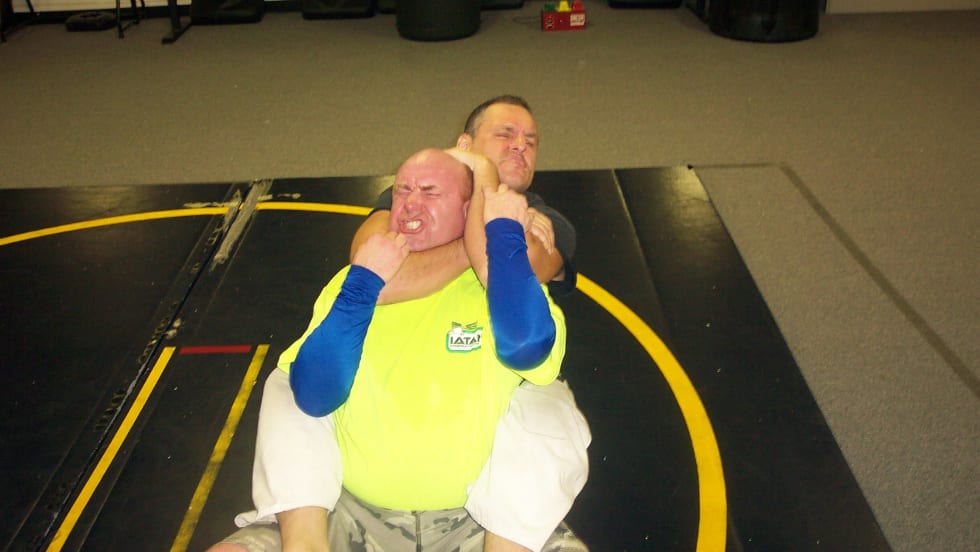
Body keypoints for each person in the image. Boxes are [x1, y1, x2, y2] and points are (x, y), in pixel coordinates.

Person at [211, 148, 583, 551]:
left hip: (478, 520)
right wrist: (362, 286)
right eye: (402, 190)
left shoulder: (501, 288)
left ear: (467, 211)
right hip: (351, 511)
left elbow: (525, 345)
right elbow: (315, 395)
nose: (410, 203)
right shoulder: (359, 282)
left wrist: (500, 232)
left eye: (430, 192)